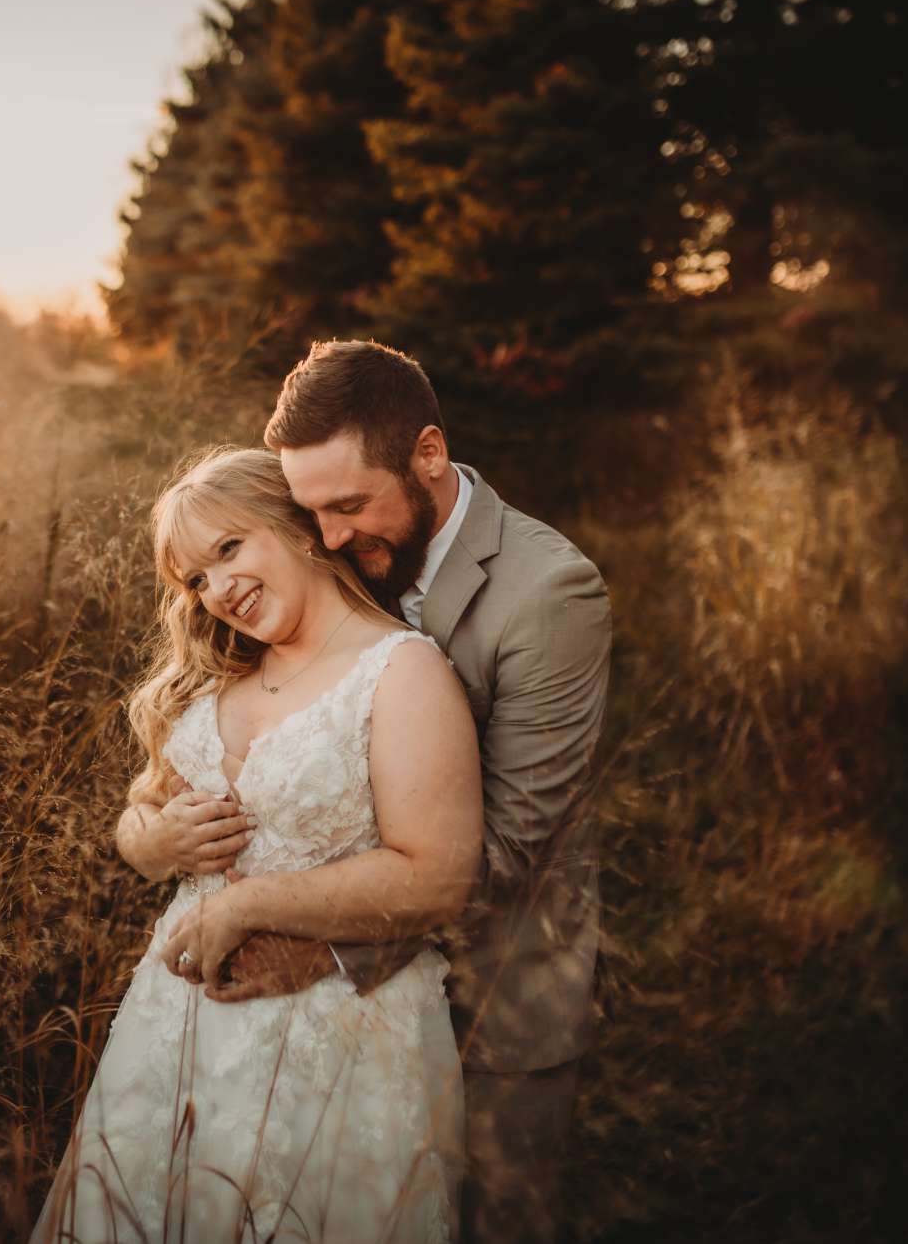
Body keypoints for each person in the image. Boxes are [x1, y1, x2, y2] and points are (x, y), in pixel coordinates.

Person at [215, 340, 613, 1242]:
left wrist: (325, 948)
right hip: (342, 1019)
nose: (327, 540)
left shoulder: (549, 593)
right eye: (310, 511)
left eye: (348, 505)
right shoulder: (339, 550)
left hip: (498, 995)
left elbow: (510, 844)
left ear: (427, 453)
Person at [33, 446, 483, 1244]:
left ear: (299, 528)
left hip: (339, 1033)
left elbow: (437, 875)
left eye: (229, 548)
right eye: (196, 578)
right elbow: (134, 828)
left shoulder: (401, 671)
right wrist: (162, 842)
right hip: (175, 1027)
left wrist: (247, 901)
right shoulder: (213, 676)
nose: (217, 588)